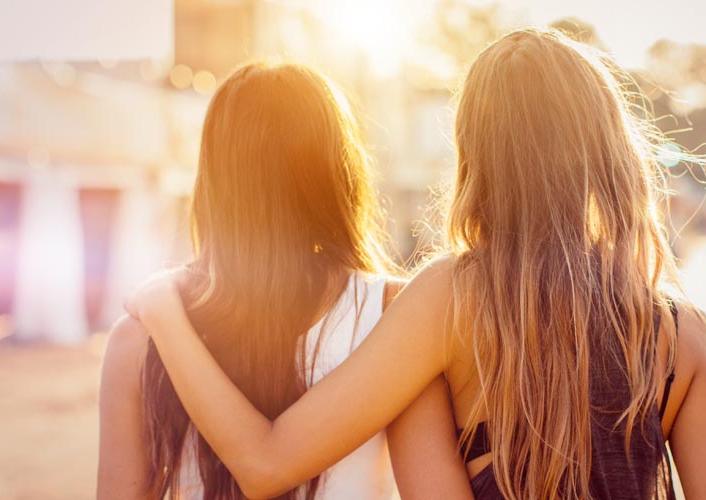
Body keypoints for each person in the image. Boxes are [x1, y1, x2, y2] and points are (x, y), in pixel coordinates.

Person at [128, 29, 706, 500]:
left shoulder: (448, 300)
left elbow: (265, 464)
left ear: (473, 152)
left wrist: (162, 306)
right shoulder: (685, 337)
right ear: (609, 149)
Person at [97, 63, 472, 500]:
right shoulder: (394, 316)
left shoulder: (138, 337)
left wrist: (161, 308)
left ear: (214, 180)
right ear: (337, 175)